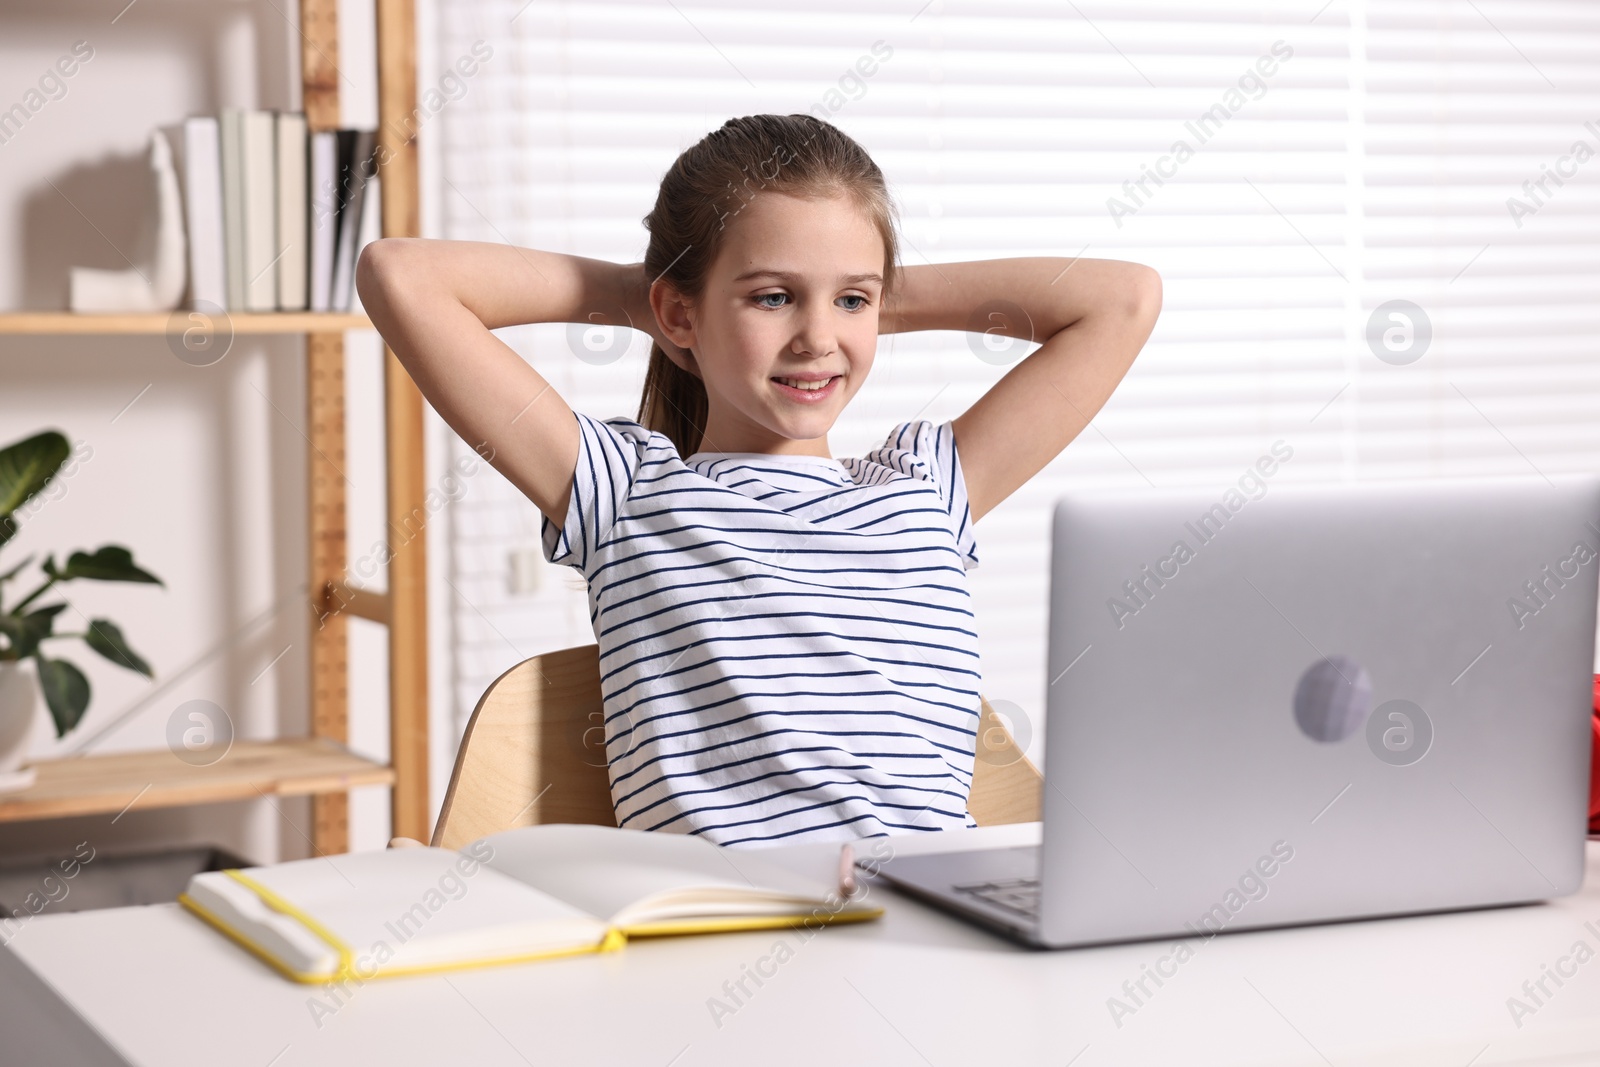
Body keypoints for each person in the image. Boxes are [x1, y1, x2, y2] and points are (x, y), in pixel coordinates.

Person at [357, 113, 1161, 847]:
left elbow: (1124, 299)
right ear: (676, 314)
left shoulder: (925, 486)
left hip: (930, 914)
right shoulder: (624, 491)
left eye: (852, 300)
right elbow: (402, 277)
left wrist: (862, 291)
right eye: (773, 297)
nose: (818, 338)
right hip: (724, 929)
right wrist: (667, 298)